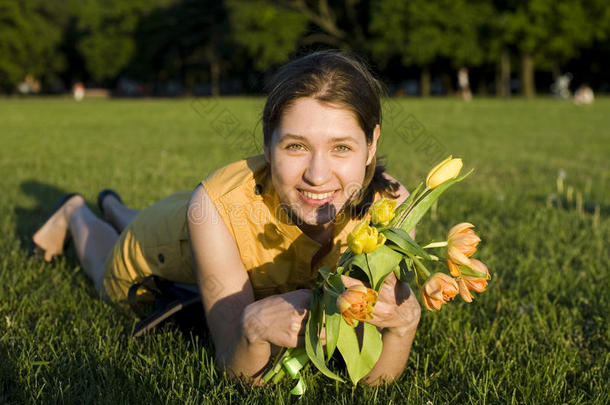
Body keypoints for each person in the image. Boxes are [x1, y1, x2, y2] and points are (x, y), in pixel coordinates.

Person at [31, 50, 421, 385]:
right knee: (106, 274)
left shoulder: (392, 210)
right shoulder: (215, 205)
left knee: (179, 214)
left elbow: (371, 378)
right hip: (169, 240)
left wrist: (404, 326)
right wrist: (252, 330)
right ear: (268, 145)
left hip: (199, 216)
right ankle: (77, 214)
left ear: (371, 145)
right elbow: (236, 371)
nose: (317, 175)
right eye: (296, 146)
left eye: (341, 148)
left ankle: (115, 206)